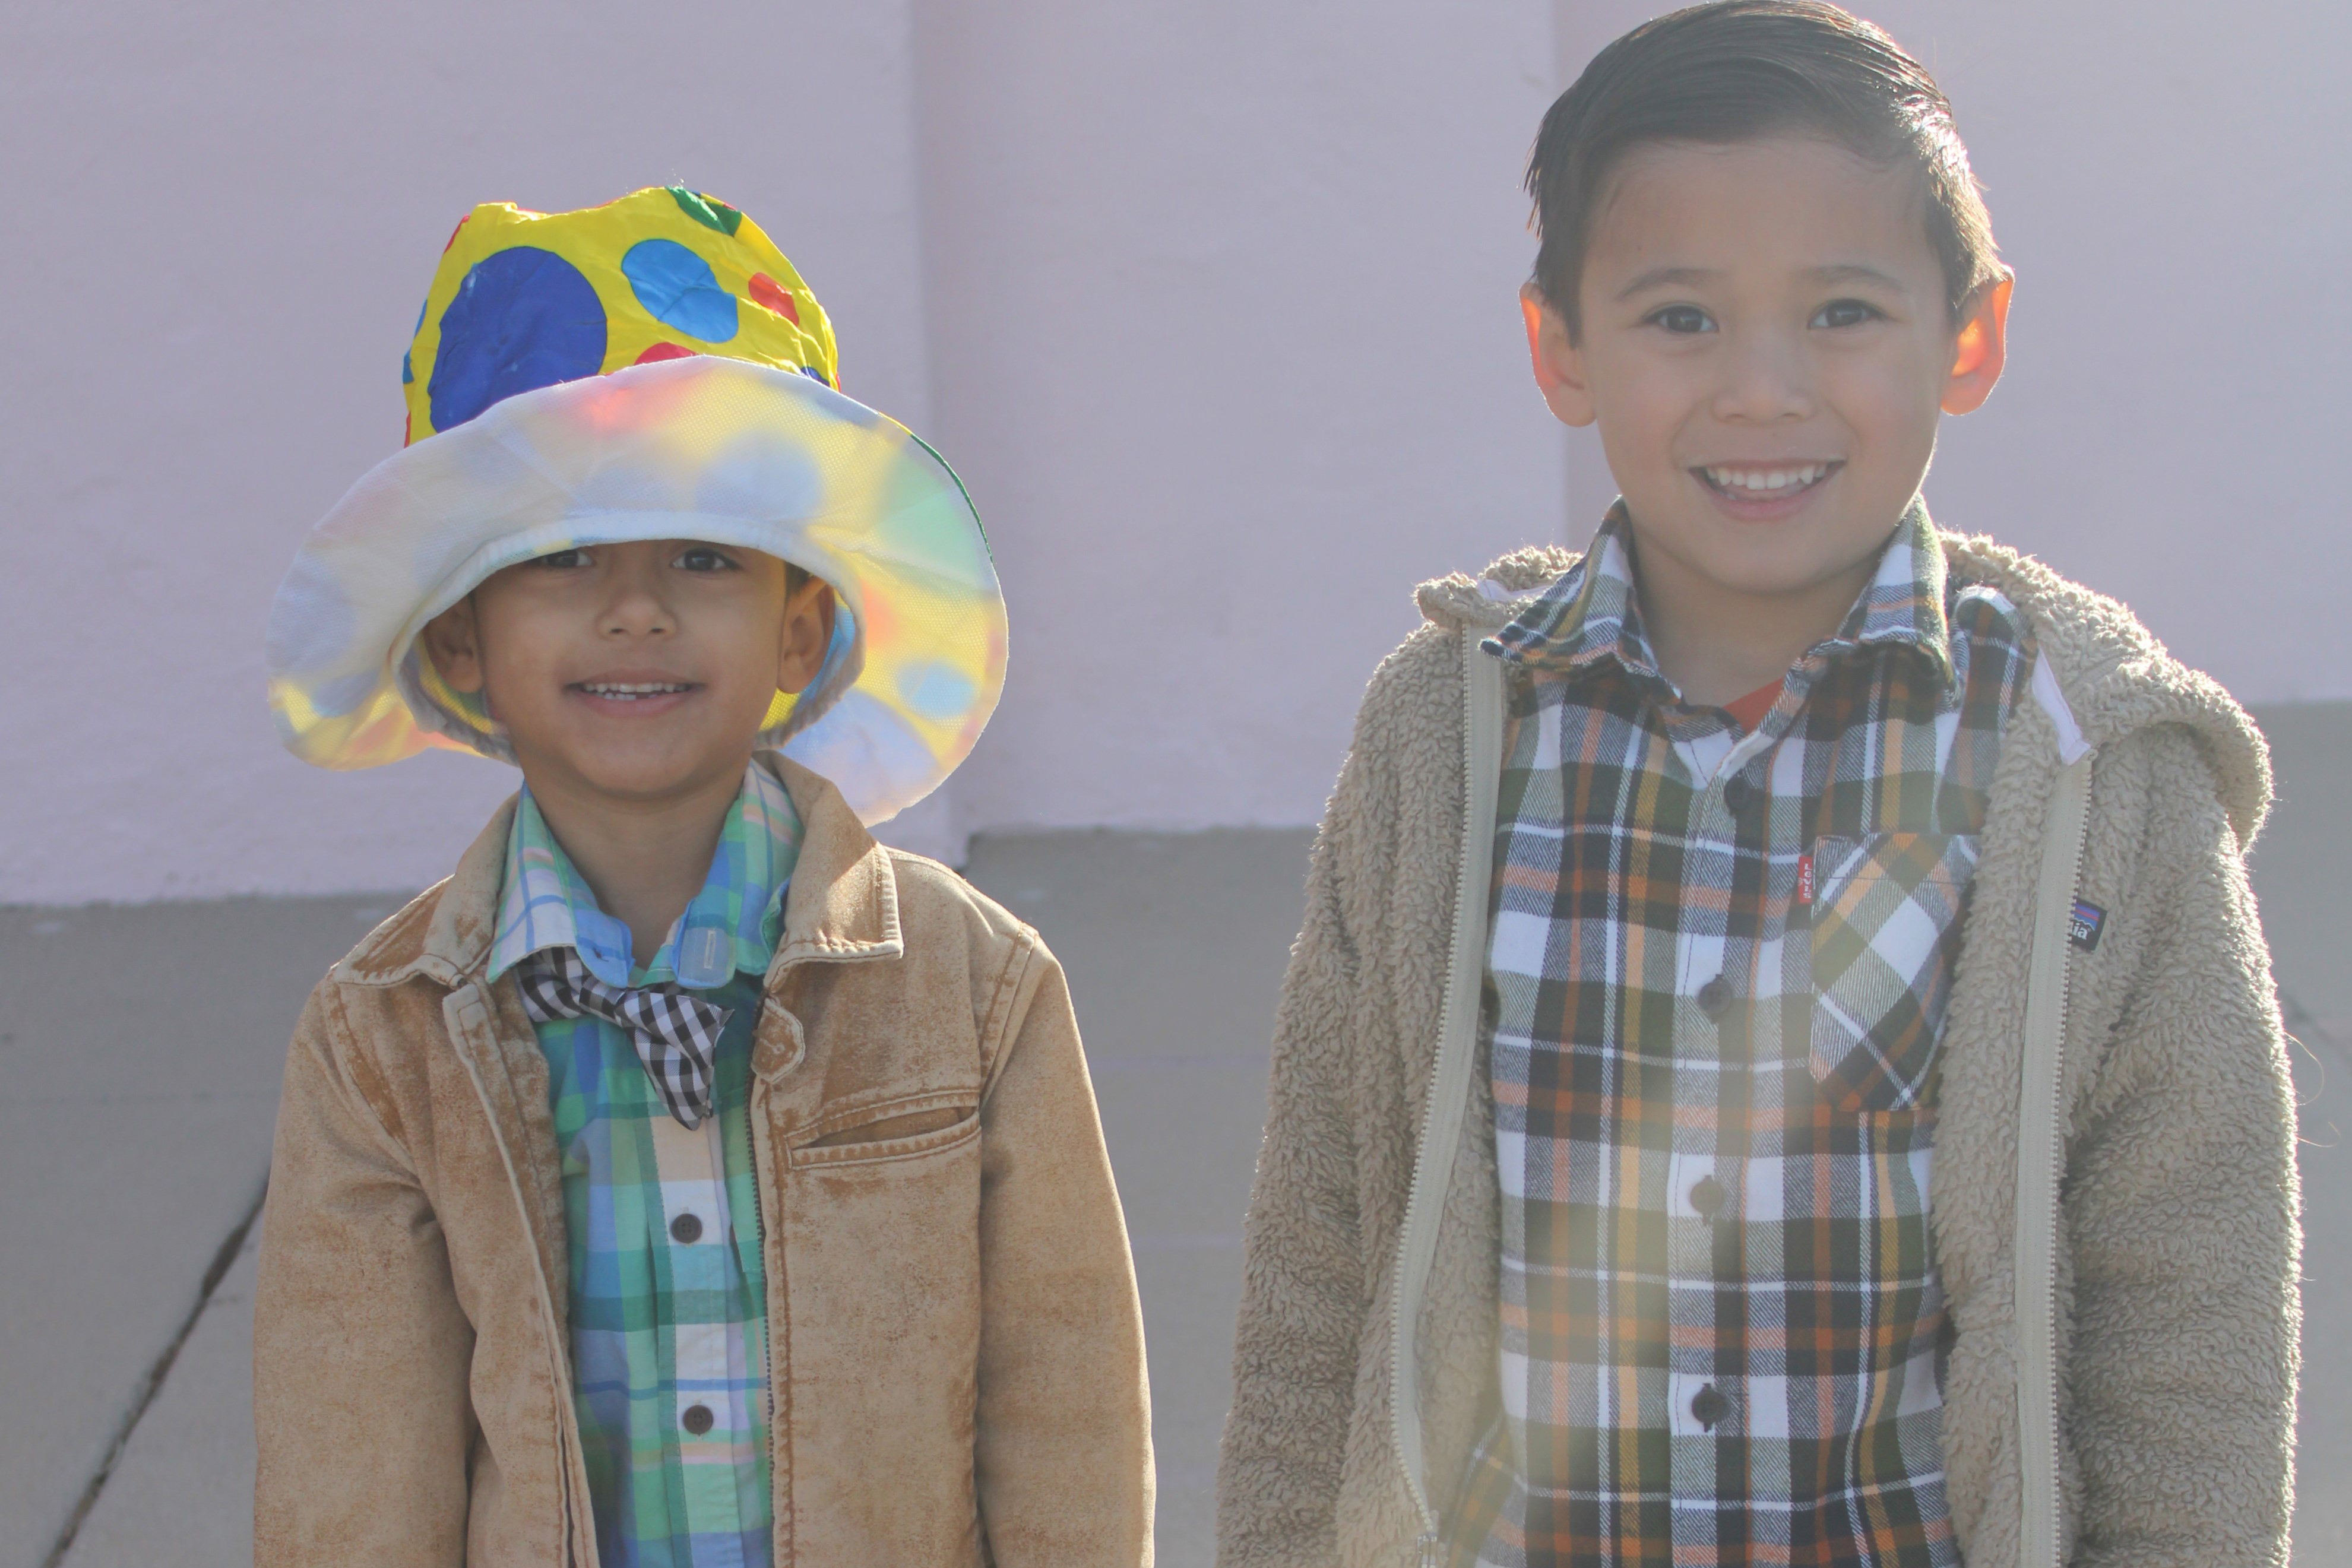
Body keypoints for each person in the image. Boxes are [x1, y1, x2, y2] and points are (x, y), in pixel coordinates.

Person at [1215, 5, 2299, 1564]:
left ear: (1970, 335)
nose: (1762, 390)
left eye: (1843, 310)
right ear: (1561, 347)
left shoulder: (2091, 768)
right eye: (1680, 319)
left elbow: (2190, 1306)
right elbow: (1320, 1253)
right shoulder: (1447, 742)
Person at [254, 186, 1152, 1567]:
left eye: (702, 556)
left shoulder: (975, 988)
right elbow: (353, 1473)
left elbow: (1064, 1404)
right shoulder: (382, 1042)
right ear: (457, 647)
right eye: (558, 558)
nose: (637, 607)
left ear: (800, 632)